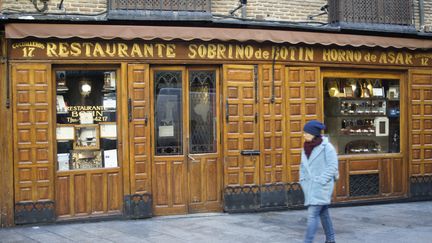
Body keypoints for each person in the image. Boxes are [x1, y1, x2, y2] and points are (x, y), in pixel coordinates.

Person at [299, 120, 339, 243]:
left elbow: (332, 166)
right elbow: (303, 166)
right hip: (310, 185)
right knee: (323, 213)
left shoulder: (327, 147)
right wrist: (302, 179)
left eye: (306, 133)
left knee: (312, 215)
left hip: (322, 186)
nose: (304, 135)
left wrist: (321, 180)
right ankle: (331, 240)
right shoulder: (306, 147)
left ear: (314, 134)